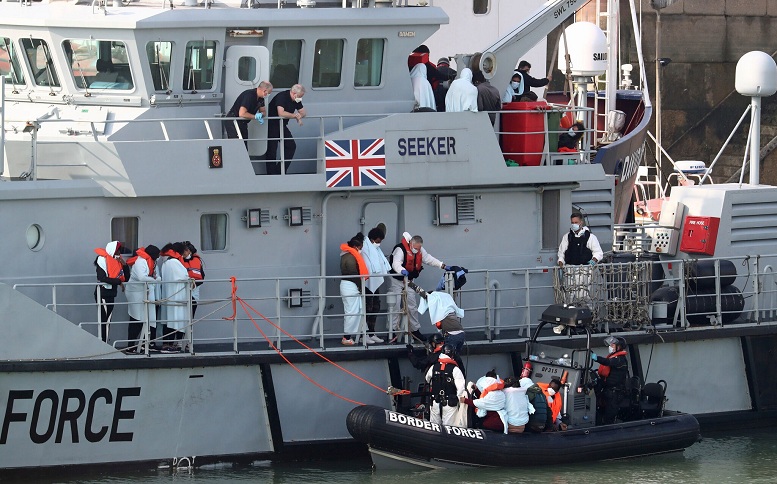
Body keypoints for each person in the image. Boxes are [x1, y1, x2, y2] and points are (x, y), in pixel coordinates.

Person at [387, 232, 451, 344]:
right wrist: (401, 270)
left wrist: (442, 265)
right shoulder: (400, 250)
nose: (417, 250)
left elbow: (428, 259)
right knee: (395, 305)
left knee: (412, 306)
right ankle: (393, 331)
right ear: (411, 244)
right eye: (415, 248)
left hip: (410, 282)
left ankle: (415, 330)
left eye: (419, 248)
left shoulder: (420, 250)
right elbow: (396, 263)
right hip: (397, 281)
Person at [125, 245, 161, 353]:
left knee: (148, 318)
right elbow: (141, 277)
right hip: (135, 293)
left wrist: (154, 278)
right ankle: (130, 346)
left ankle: (147, 344)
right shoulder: (141, 262)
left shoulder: (149, 262)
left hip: (144, 292)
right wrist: (155, 280)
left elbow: (148, 276)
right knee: (136, 318)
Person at [266, 83, 306, 175]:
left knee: (291, 146)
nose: (300, 98)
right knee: (272, 150)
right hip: (272, 125)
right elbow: (281, 113)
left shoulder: (296, 100)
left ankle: (279, 171)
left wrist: (300, 115)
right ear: (294, 93)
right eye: (300, 96)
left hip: (282, 125)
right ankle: (271, 175)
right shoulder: (282, 97)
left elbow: (303, 112)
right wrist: (295, 116)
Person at [93, 241, 129, 343]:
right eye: (117, 251)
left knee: (108, 319)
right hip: (102, 293)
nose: (119, 253)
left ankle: (104, 341)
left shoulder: (117, 262)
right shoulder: (102, 261)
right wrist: (118, 282)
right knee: (104, 320)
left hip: (111, 294)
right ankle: (103, 342)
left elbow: (126, 278)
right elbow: (101, 278)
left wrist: (124, 265)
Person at [361, 225, 391, 343]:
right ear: (373, 239)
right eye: (379, 241)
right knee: (367, 307)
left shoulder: (375, 249)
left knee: (375, 306)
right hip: (367, 282)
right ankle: (364, 334)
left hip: (374, 281)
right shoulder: (365, 248)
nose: (379, 243)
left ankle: (371, 332)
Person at [591, 335, 630, 425]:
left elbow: (607, 362)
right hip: (607, 390)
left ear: (619, 347)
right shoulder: (613, 357)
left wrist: (596, 358)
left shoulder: (620, 360)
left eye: (613, 345)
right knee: (601, 411)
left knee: (609, 415)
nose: (610, 347)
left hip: (615, 393)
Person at [425, 344, 466, 427]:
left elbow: (427, 379)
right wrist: (458, 402)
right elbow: (461, 389)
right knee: (449, 429)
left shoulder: (433, 367)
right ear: (452, 354)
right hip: (450, 404)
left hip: (435, 402)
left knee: (434, 428)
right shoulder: (455, 369)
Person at [160, 242, 190, 352]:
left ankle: (166, 344)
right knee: (177, 320)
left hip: (168, 295)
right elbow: (184, 277)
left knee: (168, 320)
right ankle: (173, 345)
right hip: (178, 296)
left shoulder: (165, 262)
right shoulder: (174, 263)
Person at [340, 233, 368, 345]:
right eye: (360, 248)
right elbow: (353, 273)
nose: (361, 250)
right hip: (350, 286)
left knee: (356, 311)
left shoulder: (345, 255)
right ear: (356, 247)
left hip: (348, 285)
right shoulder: (350, 257)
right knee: (352, 312)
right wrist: (360, 287)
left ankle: (358, 335)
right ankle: (346, 337)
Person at [224, 81, 273, 146]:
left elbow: (263, 111)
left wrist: (261, 115)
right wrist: (255, 116)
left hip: (243, 122)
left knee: (244, 145)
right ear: (264, 91)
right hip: (234, 121)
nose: (268, 95)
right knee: (236, 145)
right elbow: (242, 114)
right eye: (268, 93)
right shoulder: (249, 95)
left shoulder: (261, 98)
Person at [417, 289, 466, 353]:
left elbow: (439, 325)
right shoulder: (448, 308)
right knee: (456, 357)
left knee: (447, 357)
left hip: (452, 335)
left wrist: (410, 284)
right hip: (461, 334)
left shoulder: (440, 312)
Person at [182, 241, 204, 317]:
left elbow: (202, 278)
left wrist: (194, 285)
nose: (184, 252)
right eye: (183, 250)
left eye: (186, 250)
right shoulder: (179, 262)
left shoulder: (197, 261)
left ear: (190, 251)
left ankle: (189, 328)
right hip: (182, 292)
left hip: (194, 292)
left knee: (191, 314)